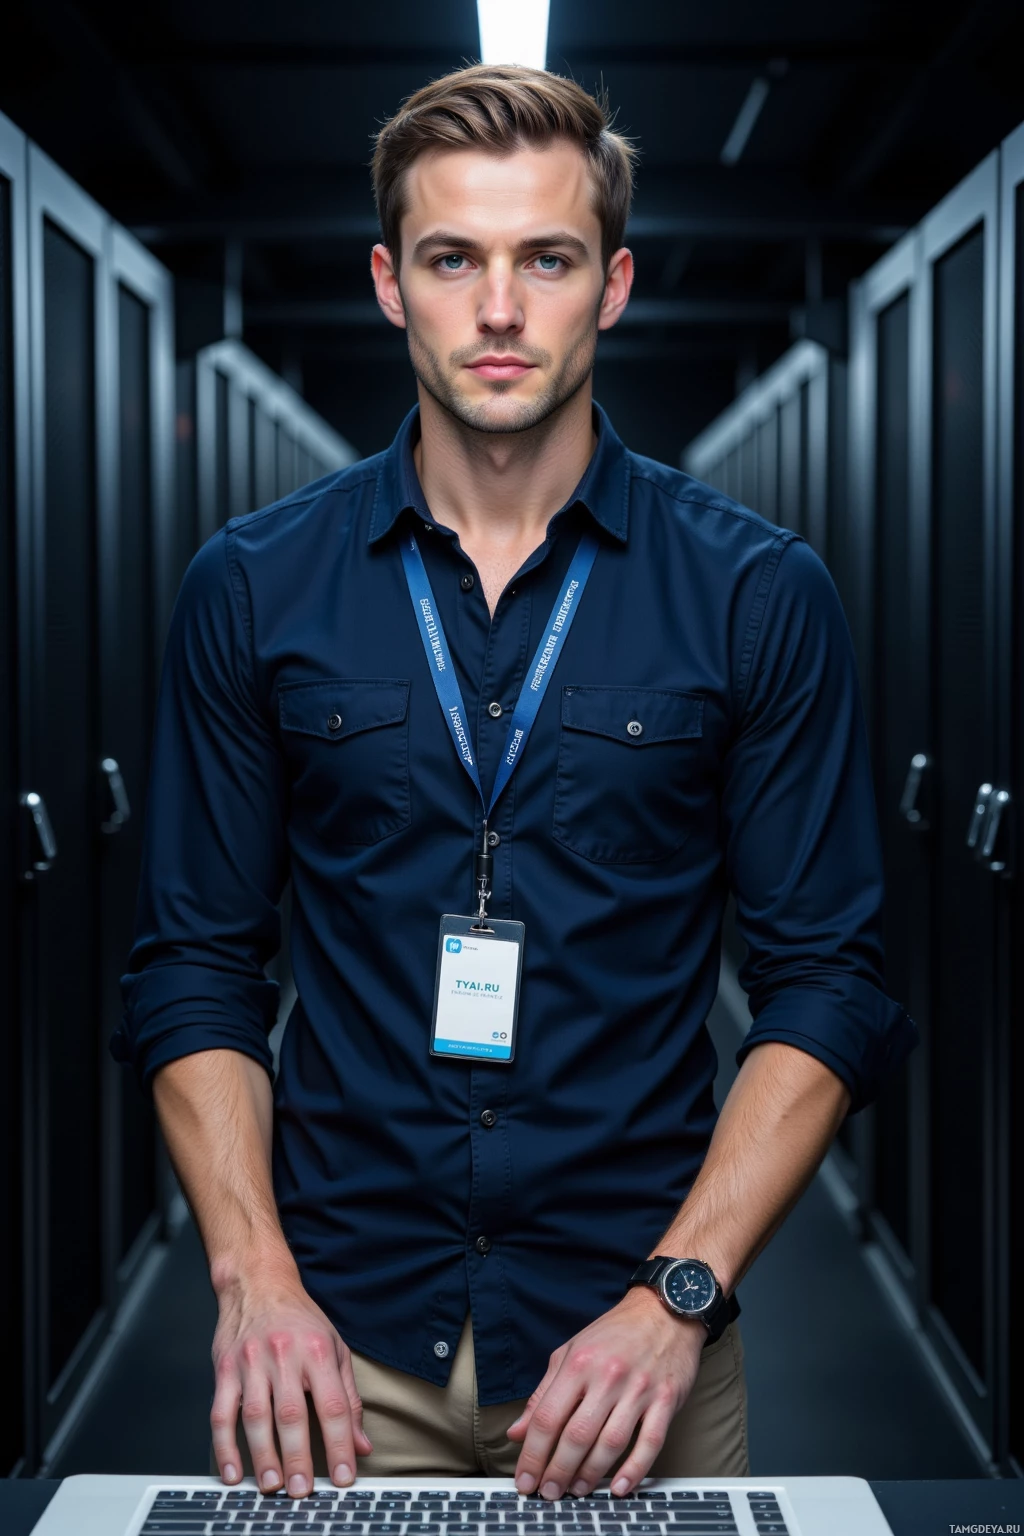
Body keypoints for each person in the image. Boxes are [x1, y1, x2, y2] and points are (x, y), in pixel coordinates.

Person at [114, 63, 915, 1504]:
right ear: (387, 282)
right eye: (452, 259)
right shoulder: (251, 586)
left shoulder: (758, 595)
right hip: (333, 1356)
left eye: (544, 258)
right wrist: (253, 1282)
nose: (498, 308)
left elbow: (827, 984)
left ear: (610, 285)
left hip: (637, 1343)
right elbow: (194, 968)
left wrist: (678, 1300)